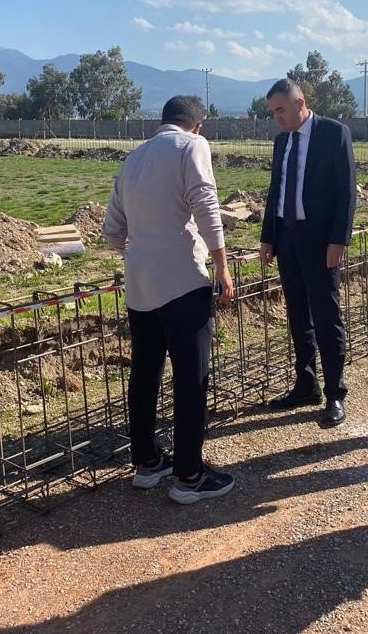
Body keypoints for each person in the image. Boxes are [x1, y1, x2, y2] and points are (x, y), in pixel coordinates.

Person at [102, 95, 236, 505]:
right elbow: (206, 206)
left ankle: (147, 462)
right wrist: (222, 266)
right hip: (182, 282)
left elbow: (111, 230)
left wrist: (141, 251)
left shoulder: (133, 159)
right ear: (198, 124)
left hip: (140, 286)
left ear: (162, 121)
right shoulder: (192, 146)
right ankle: (189, 475)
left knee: (145, 373)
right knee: (191, 378)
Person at [259, 78, 356, 427]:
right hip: (288, 238)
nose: (277, 118)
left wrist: (338, 240)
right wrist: (268, 237)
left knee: (326, 316)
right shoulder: (281, 141)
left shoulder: (333, 133)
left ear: (300, 103)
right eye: (273, 112)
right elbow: (276, 190)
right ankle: (305, 385)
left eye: (281, 110)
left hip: (320, 241)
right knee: (298, 315)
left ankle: (335, 393)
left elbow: (346, 191)